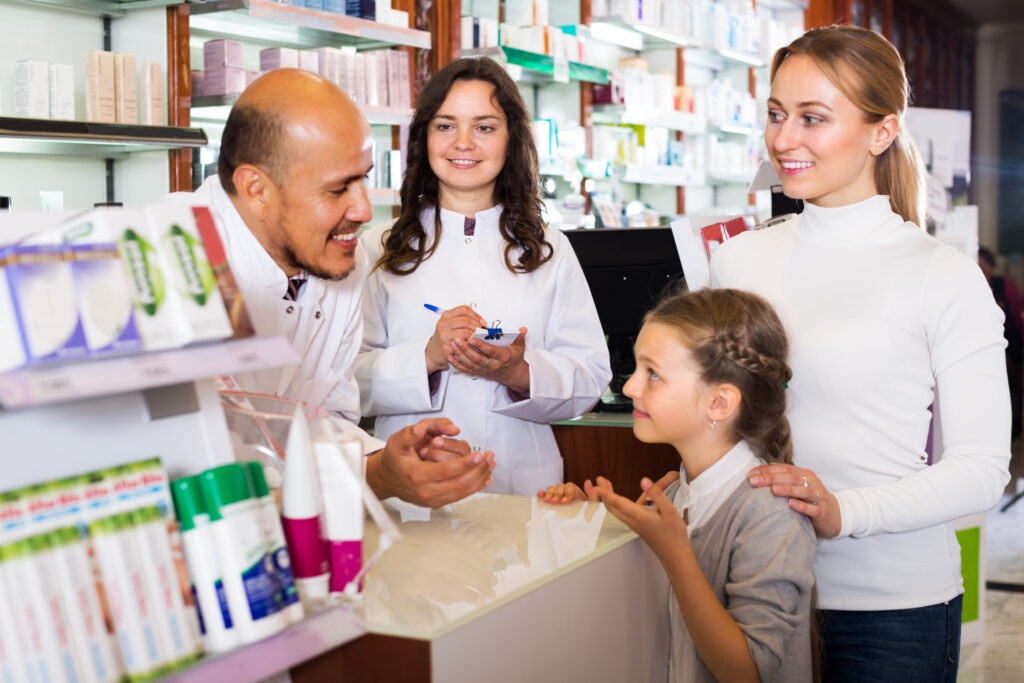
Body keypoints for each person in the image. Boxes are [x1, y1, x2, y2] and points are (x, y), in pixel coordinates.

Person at [709, 26, 1011, 681]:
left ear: (882, 131)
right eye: (777, 115)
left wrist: (845, 511)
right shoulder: (737, 258)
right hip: (753, 589)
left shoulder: (943, 274)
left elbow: (983, 470)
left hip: (890, 612)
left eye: (813, 118)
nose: (784, 139)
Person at [177, 68, 494, 508]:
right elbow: (201, 457)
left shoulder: (339, 261)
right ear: (256, 189)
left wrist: (384, 467)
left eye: (363, 178)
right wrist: (372, 474)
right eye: (337, 188)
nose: (364, 209)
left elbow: (321, 417)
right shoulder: (170, 261)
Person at [355, 57, 611, 496]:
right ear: (424, 137)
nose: (464, 143)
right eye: (445, 125)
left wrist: (519, 372)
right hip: (412, 486)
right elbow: (343, 380)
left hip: (520, 484)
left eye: (485, 127)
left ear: (512, 139)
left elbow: (590, 378)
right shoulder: (377, 247)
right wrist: (429, 357)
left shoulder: (549, 249)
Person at [539, 288, 816, 683]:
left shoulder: (771, 514)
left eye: (652, 374)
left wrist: (675, 552)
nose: (631, 387)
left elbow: (749, 671)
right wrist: (583, 525)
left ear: (719, 404)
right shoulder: (672, 495)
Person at [978, 246, 1023, 438]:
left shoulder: (1003, 285)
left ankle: (1013, 428)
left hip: (1009, 347)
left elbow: (1018, 317)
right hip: (981, 350)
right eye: (978, 261)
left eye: (986, 262)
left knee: (1010, 388)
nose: (982, 266)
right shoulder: (968, 286)